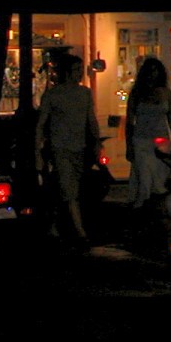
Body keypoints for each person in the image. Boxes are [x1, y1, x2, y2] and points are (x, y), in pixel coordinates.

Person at [36, 53, 101, 242]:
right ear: (66, 72)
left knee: (70, 188)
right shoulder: (54, 95)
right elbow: (41, 123)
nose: (79, 74)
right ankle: (80, 230)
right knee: (69, 188)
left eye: (80, 70)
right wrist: (38, 151)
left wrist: (96, 141)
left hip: (79, 146)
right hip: (60, 146)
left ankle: (57, 223)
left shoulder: (84, 93)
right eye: (75, 70)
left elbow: (91, 119)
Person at [124, 56, 171, 211]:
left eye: (155, 71)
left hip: (161, 141)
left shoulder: (166, 93)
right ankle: (143, 206)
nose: (152, 75)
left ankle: (156, 209)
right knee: (144, 178)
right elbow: (130, 121)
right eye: (150, 71)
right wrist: (128, 145)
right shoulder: (136, 93)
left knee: (160, 180)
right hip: (141, 140)